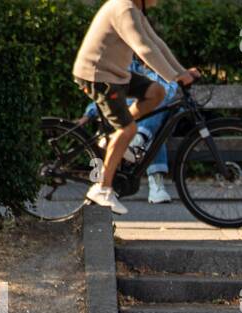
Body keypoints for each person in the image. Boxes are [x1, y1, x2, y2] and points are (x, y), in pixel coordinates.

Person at [72, 0, 199, 213]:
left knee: (156, 92)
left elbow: (156, 43)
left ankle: (113, 139)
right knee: (128, 129)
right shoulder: (124, 8)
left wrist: (181, 72)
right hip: (99, 75)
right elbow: (144, 49)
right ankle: (102, 188)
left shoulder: (136, 10)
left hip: (117, 75)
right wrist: (175, 77)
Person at [83, 59, 178, 204]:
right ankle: (156, 183)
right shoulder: (125, 66)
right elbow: (107, 94)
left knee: (157, 107)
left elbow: (166, 95)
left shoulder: (162, 69)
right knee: (149, 117)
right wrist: (88, 114)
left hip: (153, 120)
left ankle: (137, 141)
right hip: (126, 120)